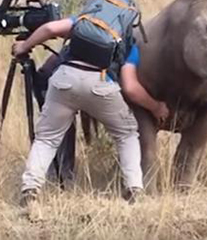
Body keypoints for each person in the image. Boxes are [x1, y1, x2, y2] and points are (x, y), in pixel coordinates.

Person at [12, 15, 169, 206]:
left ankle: (30, 189)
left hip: (64, 79)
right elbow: (130, 88)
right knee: (127, 134)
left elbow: (50, 29)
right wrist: (156, 106)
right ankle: (134, 188)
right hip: (100, 86)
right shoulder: (128, 43)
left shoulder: (83, 22)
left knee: (46, 139)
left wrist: (24, 46)